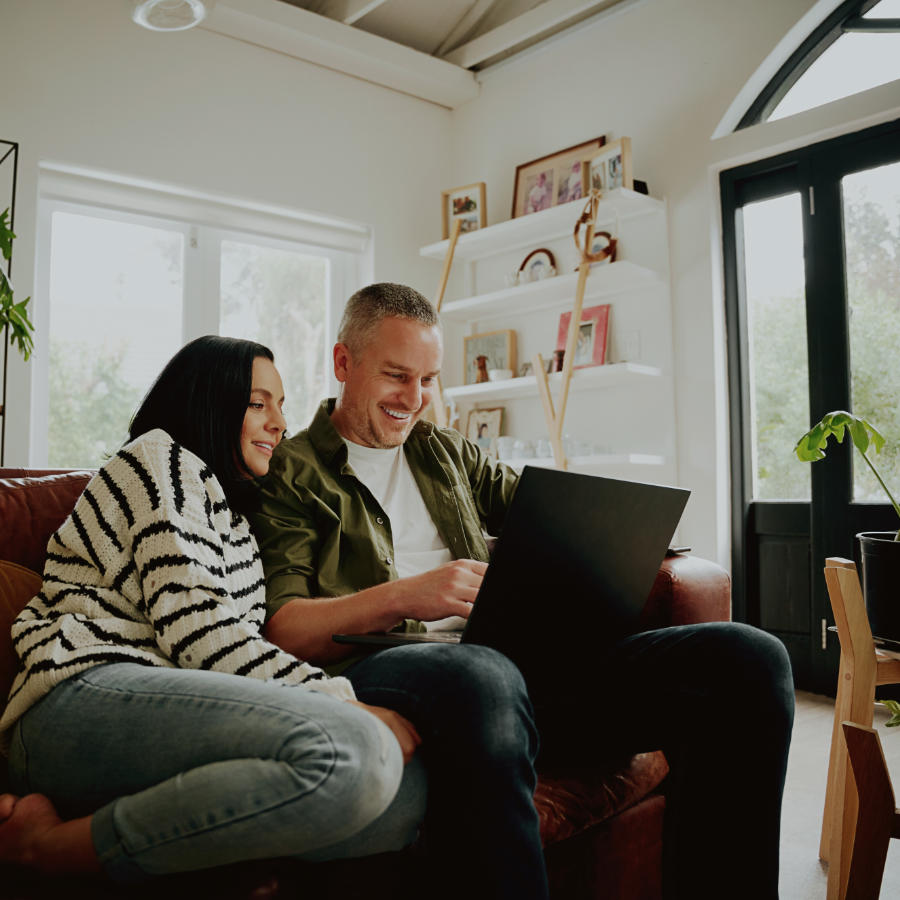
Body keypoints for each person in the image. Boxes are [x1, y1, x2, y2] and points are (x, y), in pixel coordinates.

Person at [252, 283, 795, 900]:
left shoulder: (445, 450)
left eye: (428, 379)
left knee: (750, 660)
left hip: (514, 671)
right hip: (396, 669)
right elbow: (285, 628)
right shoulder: (289, 474)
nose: (415, 399)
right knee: (482, 674)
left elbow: (548, 514)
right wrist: (410, 595)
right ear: (344, 363)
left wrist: (620, 538)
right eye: (397, 376)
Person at [0, 335, 425, 886]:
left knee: (404, 796)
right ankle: (54, 847)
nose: (279, 423)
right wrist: (338, 700)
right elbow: (196, 630)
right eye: (258, 403)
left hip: (173, 713)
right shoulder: (159, 458)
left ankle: (197, 852)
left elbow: (225, 650)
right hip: (81, 695)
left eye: (281, 405)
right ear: (207, 400)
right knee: (357, 750)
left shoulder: (234, 522)